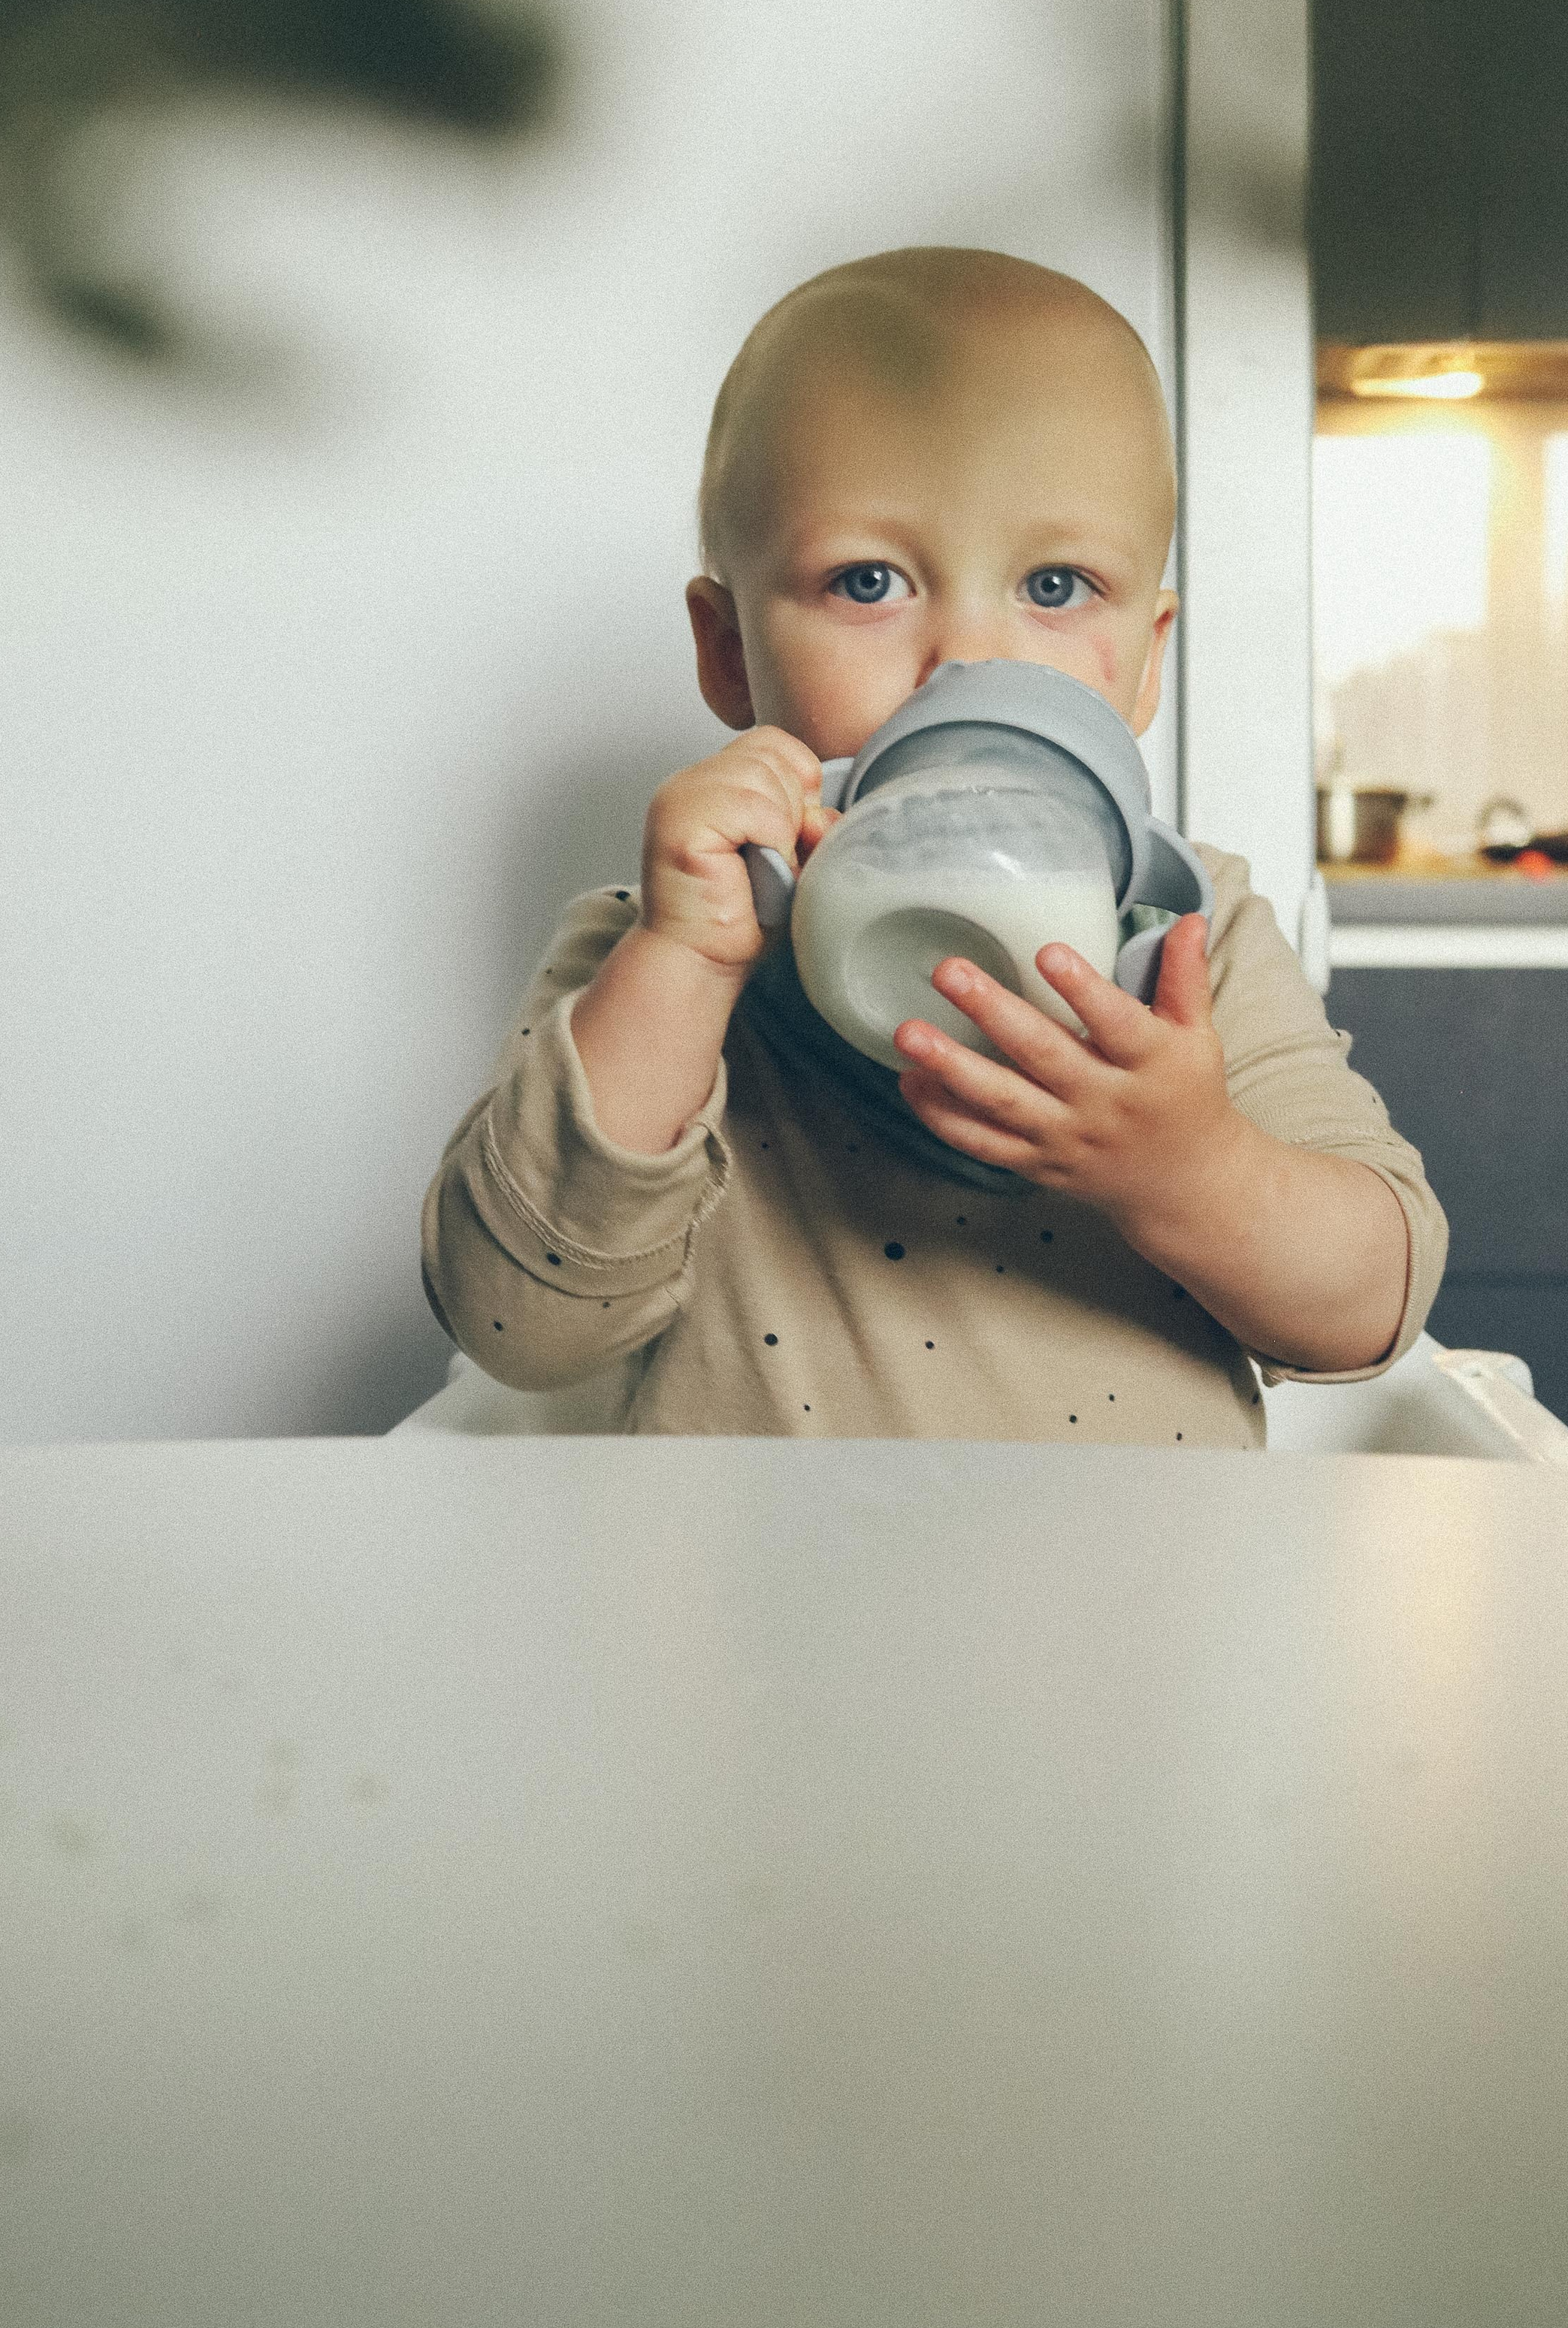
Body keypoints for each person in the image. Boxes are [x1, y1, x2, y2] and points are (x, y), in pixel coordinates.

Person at [421, 248, 1446, 1444]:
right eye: (868, 581)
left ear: (1150, 658)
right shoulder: (663, 943)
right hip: (763, 1618)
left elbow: (1373, 1307)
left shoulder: (1190, 945)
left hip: (1138, 1620)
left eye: (1056, 586)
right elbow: (517, 1331)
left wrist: (1188, 1169)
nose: (968, 658)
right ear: (728, 653)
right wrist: (681, 967)